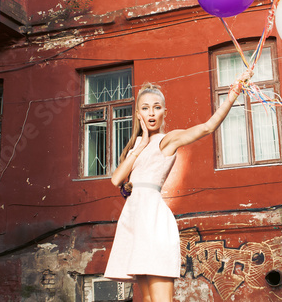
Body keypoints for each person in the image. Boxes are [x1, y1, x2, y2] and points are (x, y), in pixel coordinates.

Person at [104, 68, 253, 302]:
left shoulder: (168, 140)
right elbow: (115, 180)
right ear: (137, 113)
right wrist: (141, 145)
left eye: (157, 107)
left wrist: (235, 91)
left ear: (165, 112)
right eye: (145, 108)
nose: (151, 113)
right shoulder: (136, 147)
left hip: (154, 224)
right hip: (135, 224)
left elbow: (208, 127)